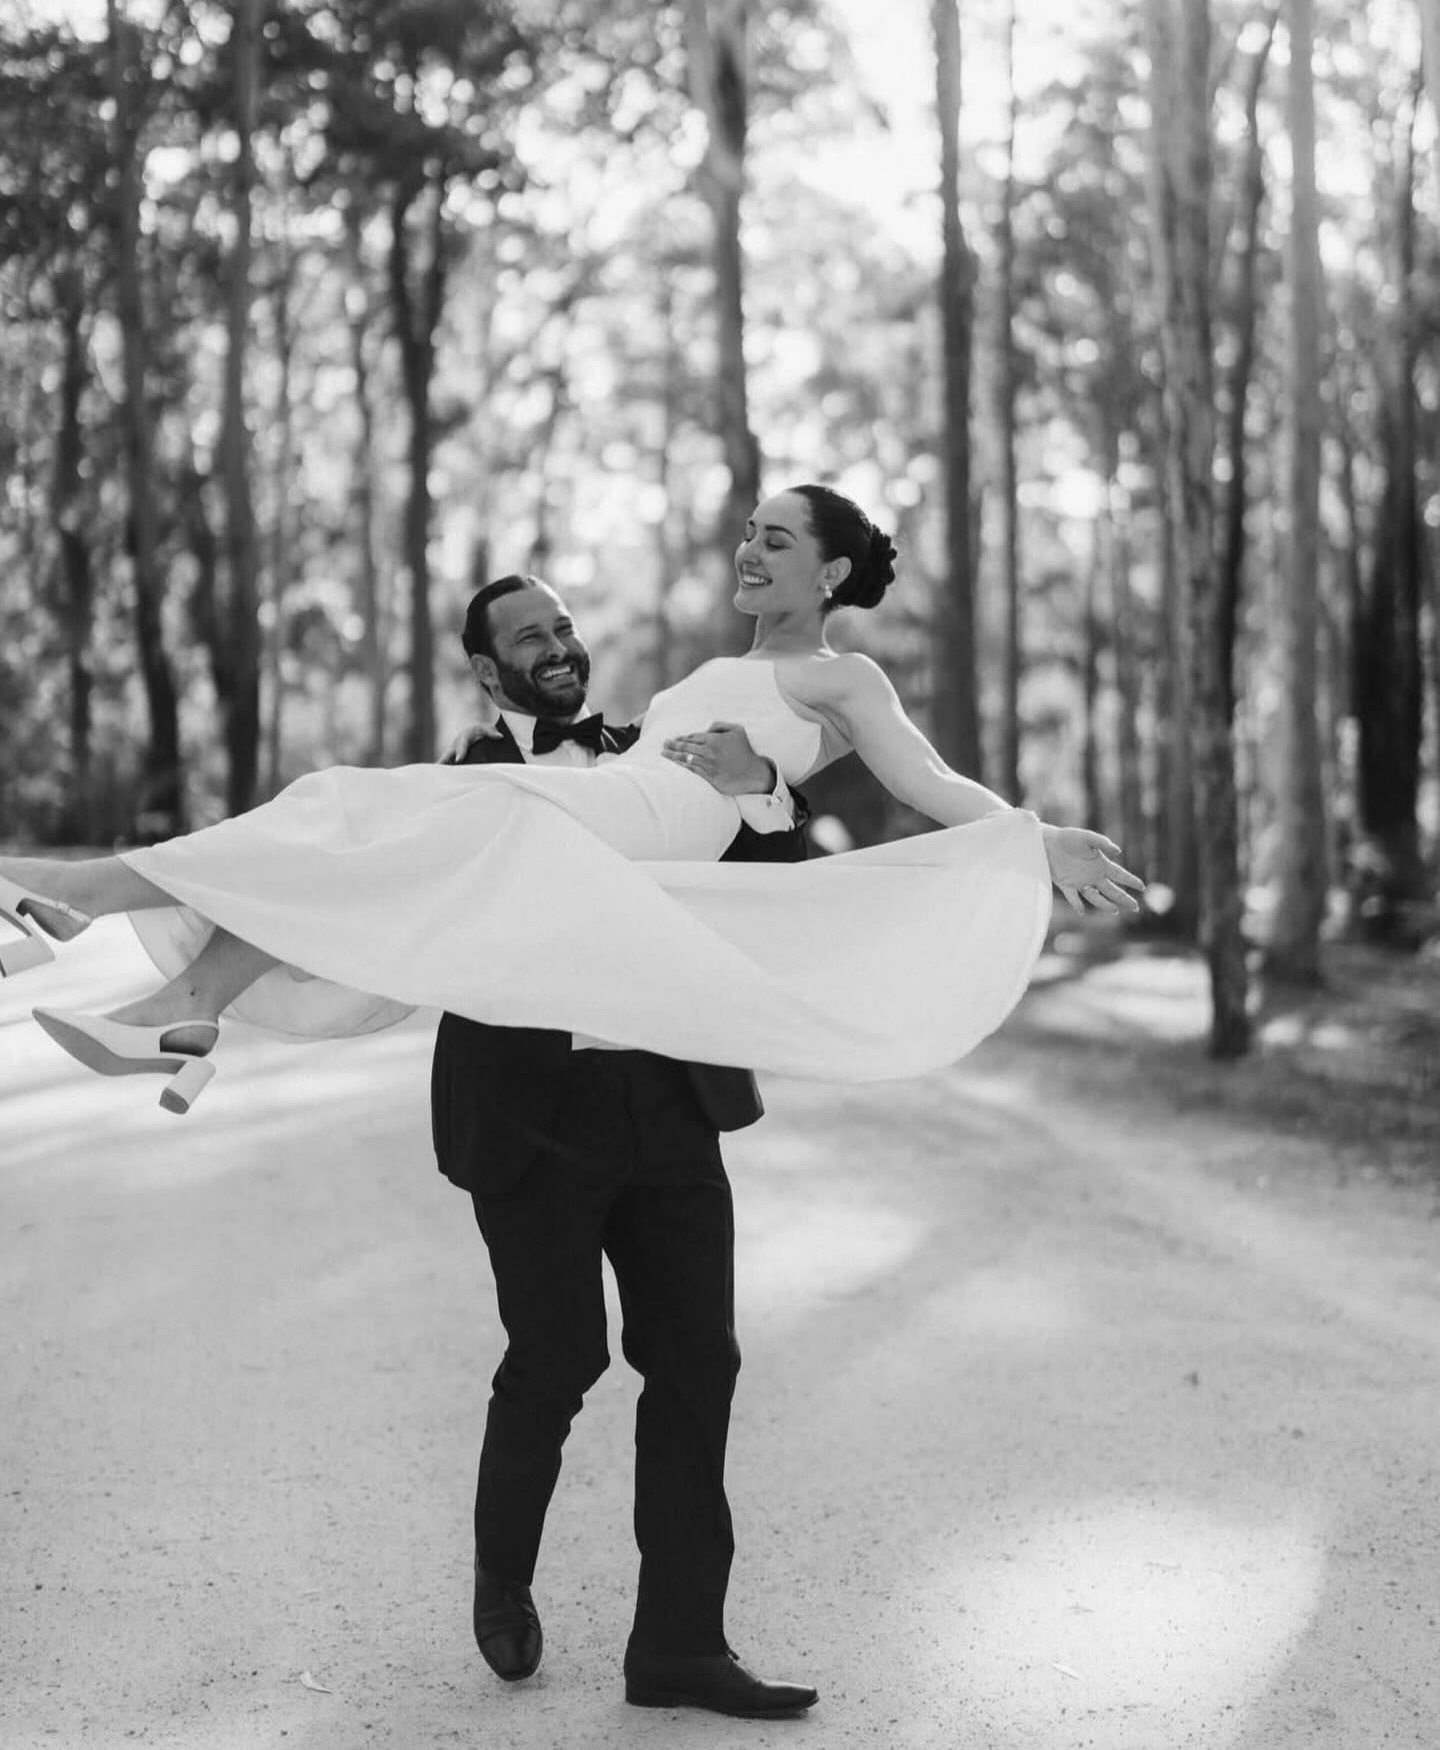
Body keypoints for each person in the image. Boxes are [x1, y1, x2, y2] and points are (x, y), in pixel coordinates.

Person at [0, 483, 1141, 1115]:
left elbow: (927, 779)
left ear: (828, 575)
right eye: (749, 531)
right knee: (347, 820)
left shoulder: (843, 676)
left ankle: (75, 898)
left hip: (641, 822)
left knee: (387, 815)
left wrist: (1036, 838)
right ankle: (181, 1013)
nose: (750, 549)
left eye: (776, 539)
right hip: (619, 805)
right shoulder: (714, 665)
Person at [432, 573, 818, 1717]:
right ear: (485, 669)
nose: (555, 647)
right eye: (526, 638)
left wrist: (760, 793)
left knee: (701, 1359)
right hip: (532, 1115)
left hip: (668, 1091)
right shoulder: (456, 786)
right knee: (555, 1363)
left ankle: (681, 1647)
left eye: (562, 627)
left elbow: (776, 895)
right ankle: (503, 1575)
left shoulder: (656, 751)